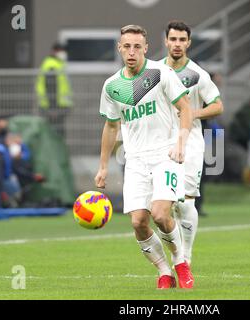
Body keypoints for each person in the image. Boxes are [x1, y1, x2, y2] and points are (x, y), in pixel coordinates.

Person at [94, 25, 195, 289]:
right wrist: (103, 166)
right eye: (126, 46)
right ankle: (164, 272)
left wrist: (181, 143)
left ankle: (180, 262)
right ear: (119, 48)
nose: (131, 51)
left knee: (161, 214)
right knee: (139, 221)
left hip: (166, 154)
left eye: (137, 46)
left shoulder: (161, 73)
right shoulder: (112, 86)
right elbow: (111, 126)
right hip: (136, 160)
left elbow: (185, 108)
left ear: (146, 48)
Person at [162, 21, 224, 265]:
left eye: (182, 40)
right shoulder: (155, 72)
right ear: (166, 41)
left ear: (189, 43)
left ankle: (185, 257)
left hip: (191, 142)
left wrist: (192, 113)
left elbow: (218, 106)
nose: (177, 44)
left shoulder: (198, 75)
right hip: (161, 144)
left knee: (186, 202)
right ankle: (176, 254)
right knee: (164, 207)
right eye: (173, 39)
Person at [36, 43, 73, 138]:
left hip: (55, 106)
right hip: (53, 107)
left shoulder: (57, 64)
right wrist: (53, 109)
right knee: (55, 134)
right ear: (54, 51)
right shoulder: (51, 65)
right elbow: (51, 87)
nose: (63, 53)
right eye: (61, 51)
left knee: (55, 133)